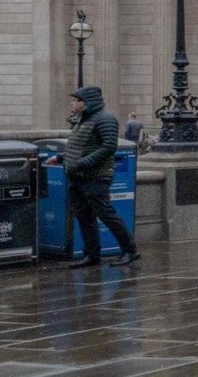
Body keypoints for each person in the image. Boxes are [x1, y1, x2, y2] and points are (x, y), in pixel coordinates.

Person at [49, 87, 139, 267]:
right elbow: (78, 146)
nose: (72, 103)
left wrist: (82, 163)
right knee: (84, 216)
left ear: (86, 101)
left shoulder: (105, 119)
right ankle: (92, 254)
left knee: (106, 214)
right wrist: (60, 158)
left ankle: (130, 251)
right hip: (77, 176)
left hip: (96, 176)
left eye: (75, 100)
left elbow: (108, 147)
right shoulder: (82, 120)